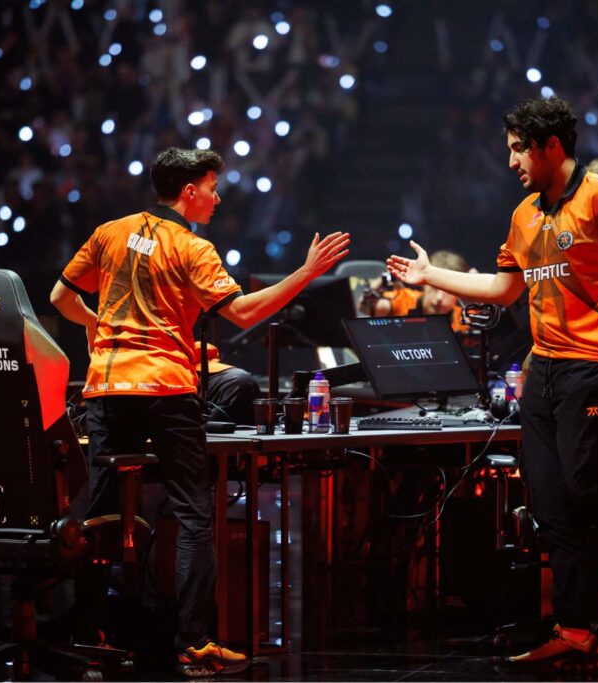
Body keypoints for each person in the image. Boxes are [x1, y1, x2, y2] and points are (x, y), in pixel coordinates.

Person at [386, 97, 598, 664]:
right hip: (543, 371)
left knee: (585, 488)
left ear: (552, 146)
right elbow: (505, 290)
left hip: (597, 366)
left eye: (518, 149)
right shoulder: (526, 214)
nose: (511, 163)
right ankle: (576, 628)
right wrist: (432, 276)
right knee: (551, 504)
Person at [50, 147, 350, 676]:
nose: (217, 196)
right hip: (165, 389)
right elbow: (243, 313)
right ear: (189, 190)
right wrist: (306, 272)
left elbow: (60, 298)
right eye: (212, 186)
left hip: (105, 389)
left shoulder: (110, 232)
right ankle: (193, 644)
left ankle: (87, 632)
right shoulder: (193, 247)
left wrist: (97, 325)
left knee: (98, 517)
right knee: (193, 514)